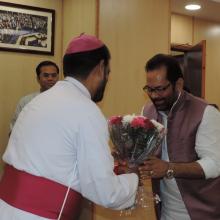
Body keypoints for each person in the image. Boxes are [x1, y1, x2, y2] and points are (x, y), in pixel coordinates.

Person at [0, 34, 139, 220]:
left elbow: (59, 159)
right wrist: (133, 178)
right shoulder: (87, 111)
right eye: (108, 72)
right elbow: (105, 192)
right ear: (100, 67)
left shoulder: (37, 101)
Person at [140, 54, 220, 220]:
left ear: (179, 84)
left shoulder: (205, 112)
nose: (154, 96)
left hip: (202, 212)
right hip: (165, 211)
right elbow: (145, 156)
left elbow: (215, 164)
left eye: (161, 89)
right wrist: (130, 162)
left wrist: (169, 168)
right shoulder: (147, 111)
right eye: (149, 89)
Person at [10, 60, 59, 130]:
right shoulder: (26, 101)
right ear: (38, 79)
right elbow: (14, 129)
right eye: (46, 75)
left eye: (54, 75)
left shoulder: (66, 101)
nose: (50, 78)